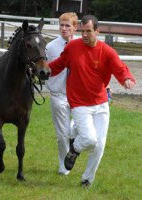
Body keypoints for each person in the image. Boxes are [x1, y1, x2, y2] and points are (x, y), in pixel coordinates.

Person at [48, 15, 136, 187]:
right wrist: (42, 70)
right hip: (79, 103)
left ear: (97, 31)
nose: (85, 35)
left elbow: (119, 67)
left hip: (101, 103)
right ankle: (74, 149)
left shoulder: (107, 51)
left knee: (100, 145)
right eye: (83, 31)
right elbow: (58, 64)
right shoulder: (73, 47)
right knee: (90, 139)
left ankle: (87, 179)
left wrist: (126, 78)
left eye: (89, 31)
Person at [45, 12, 78, 176]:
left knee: (79, 130)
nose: (64, 29)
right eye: (61, 25)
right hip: (59, 94)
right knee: (61, 135)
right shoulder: (51, 48)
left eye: (67, 26)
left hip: (79, 96)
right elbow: (44, 69)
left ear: (75, 27)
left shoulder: (82, 45)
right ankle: (64, 167)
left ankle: (73, 137)